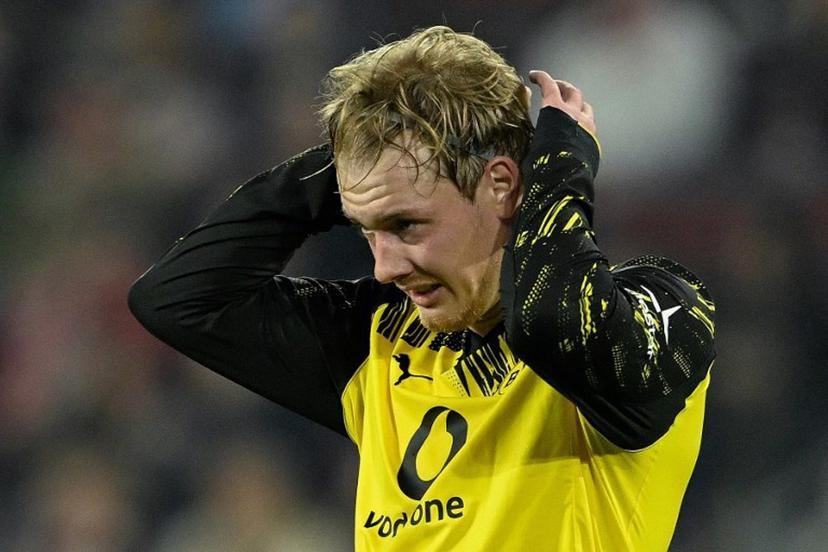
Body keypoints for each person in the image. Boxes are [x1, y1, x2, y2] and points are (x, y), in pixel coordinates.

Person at [128, 26, 715, 551]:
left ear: (502, 185)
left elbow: (549, 323)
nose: (384, 268)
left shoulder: (665, 306)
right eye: (367, 230)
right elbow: (178, 299)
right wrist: (359, 163)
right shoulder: (378, 343)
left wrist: (559, 169)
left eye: (407, 225)